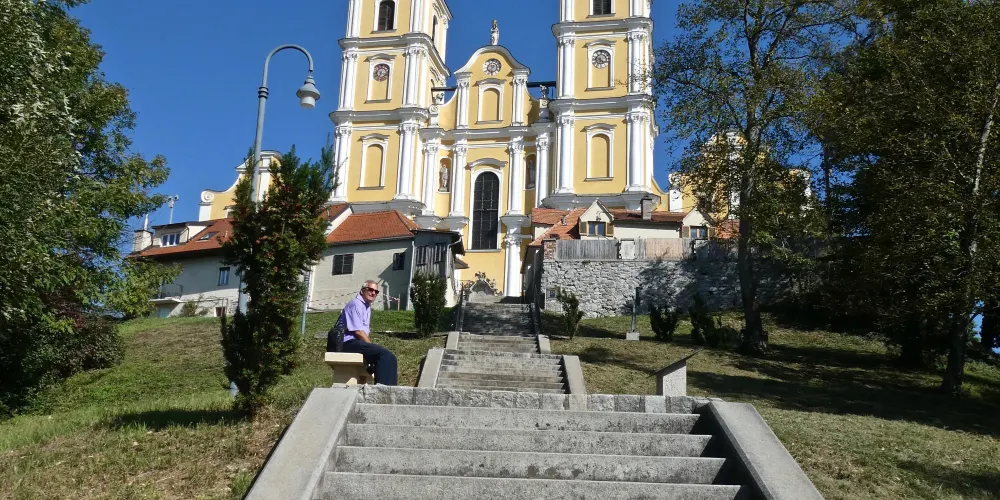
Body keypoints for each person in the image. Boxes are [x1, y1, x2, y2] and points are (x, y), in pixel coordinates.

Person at [326, 280, 398, 385]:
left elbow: (363, 332)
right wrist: (371, 347)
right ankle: (384, 389)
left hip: (356, 343)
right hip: (345, 343)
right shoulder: (356, 304)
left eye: (376, 291)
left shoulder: (366, 306)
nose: (373, 293)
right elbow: (359, 332)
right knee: (384, 355)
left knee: (390, 357)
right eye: (370, 290)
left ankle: (389, 388)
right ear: (362, 290)